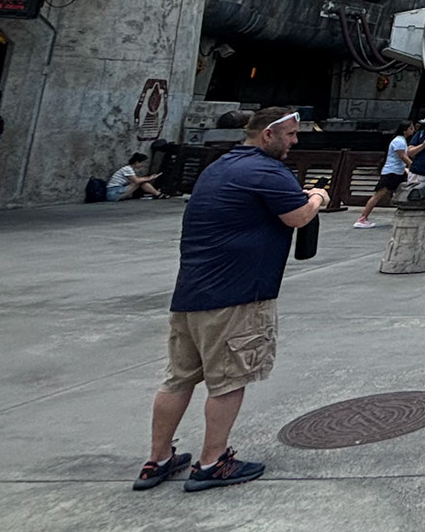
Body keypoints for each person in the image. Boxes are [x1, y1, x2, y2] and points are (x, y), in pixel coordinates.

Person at [135, 106, 328, 492]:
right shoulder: (267, 171)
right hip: (236, 295)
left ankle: (157, 459)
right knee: (227, 381)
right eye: (290, 134)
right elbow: (297, 217)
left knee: (178, 379)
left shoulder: (219, 166)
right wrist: (318, 198)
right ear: (268, 134)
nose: (295, 141)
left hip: (191, 292)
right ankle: (212, 462)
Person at [353, 121, 415, 228]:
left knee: (402, 193)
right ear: (405, 130)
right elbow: (402, 156)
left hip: (398, 172)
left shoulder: (401, 140)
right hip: (391, 173)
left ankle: (405, 216)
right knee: (378, 196)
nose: (413, 130)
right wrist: (412, 165)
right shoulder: (399, 141)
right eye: (411, 128)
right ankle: (362, 218)